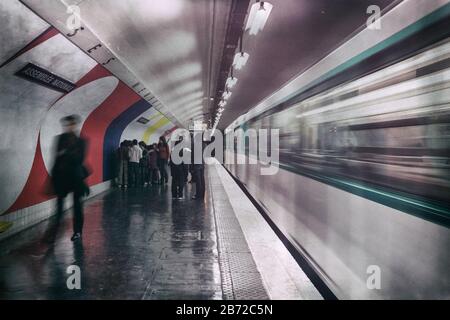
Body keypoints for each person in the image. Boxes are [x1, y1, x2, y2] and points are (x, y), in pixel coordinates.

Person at [51, 115, 89, 242]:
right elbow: (56, 160)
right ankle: (54, 233)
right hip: (61, 178)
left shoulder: (81, 141)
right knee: (59, 207)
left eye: (71, 124)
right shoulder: (60, 139)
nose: (69, 127)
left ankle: (77, 232)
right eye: (67, 125)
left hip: (76, 178)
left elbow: (79, 160)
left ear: (75, 125)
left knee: (77, 206)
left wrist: (65, 152)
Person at [191, 133, 205, 200]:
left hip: (197, 164)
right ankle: (202, 194)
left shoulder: (195, 145)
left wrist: (192, 166)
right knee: (202, 180)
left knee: (198, 181)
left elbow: (193, 156)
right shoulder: (204, 144)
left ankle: (198, 195)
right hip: (202, 164)